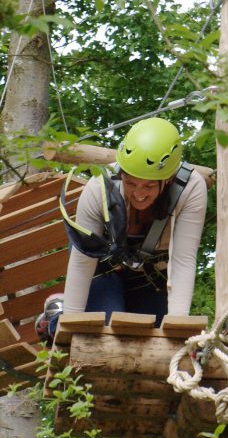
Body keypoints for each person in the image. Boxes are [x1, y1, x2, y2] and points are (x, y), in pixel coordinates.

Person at [39, 117, 207, 341]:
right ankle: (56, 316)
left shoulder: (190, 189)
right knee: (104, 334)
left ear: (167, 179)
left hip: (150, 274)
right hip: (102, 266)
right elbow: (82, 263)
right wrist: (70, 327)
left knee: (149, 338)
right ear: (122, 174)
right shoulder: (98, 188)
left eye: (149, 186)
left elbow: (183, 259)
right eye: (131, 183)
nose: (139, 193)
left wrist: (177, 327)